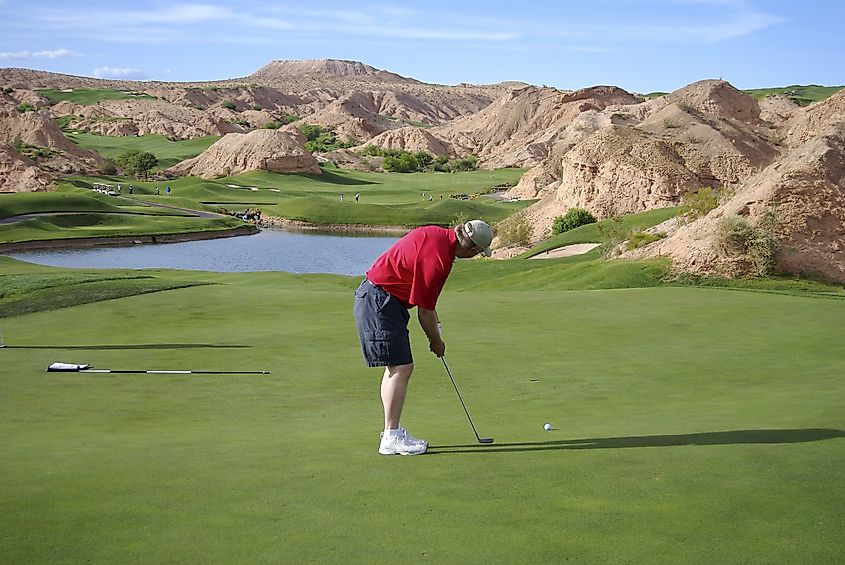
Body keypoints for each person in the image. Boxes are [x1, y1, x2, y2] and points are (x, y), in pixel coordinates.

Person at [353, 220, 494, 455]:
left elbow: (428, 306)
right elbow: (425, 311)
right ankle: (391, 436)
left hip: (381, 299)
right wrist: (436, 342)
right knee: (401, 367)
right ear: (472, 250)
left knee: (397, 368)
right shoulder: (439, 258)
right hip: (380, 301)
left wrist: (436, 330)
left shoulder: (436, 234)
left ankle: (391, 433)